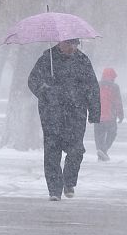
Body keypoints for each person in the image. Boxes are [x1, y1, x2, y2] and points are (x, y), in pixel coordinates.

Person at [27, 38, 100, 201]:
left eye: (75, 44)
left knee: (76, 150)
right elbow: (32, 80)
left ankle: (69, 181)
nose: (72, 47)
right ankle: (54, 190)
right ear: (60, 43)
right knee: (52, 152)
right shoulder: (47, 59)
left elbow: (92, 87)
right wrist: (44, 90)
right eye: (69, 44)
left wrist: (94, 111)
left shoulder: (83, 61)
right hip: (51, 114)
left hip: (76, 113)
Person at [95, 67, 124, 161]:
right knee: (112, 134)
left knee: (99, 135)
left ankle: (100, 151)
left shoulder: (97, 85)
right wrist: (120, 115)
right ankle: (103, 150)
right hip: (110, 116)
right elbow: (118, 102)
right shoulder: (115, 87)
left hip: (98, 116)